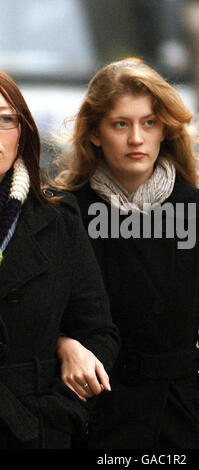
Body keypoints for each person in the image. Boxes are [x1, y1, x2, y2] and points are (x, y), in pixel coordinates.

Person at [54, 59, 199, 449]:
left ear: (166, 130)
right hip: (95, 415)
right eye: (120, 124)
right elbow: (40, 315)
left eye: (149, 123)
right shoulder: (64, 214)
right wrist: (63, 345)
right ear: (94, 133)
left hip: (183, 416)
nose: (136, 138)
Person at [0, 70, 120, 449]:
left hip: (34, 430)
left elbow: (99, 333)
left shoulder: (57, 218)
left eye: (5, 119)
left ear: (23, 133)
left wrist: (61, 410)